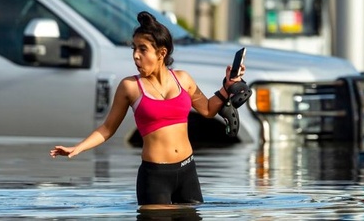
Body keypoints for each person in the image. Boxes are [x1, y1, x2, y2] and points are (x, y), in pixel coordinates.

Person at [50, 11, 246, 206]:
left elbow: (208, 110)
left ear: (162, 52)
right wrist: (78, 148)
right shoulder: (130, 87)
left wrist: (227, 86)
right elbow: (107, 128)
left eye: (142, 49)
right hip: (155, 177)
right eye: (134, 49)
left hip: (188, 171)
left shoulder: (183, 79)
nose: (136, 56)